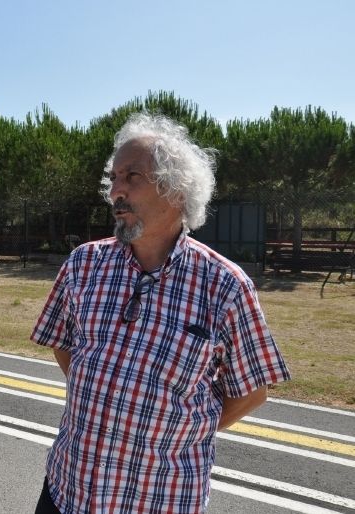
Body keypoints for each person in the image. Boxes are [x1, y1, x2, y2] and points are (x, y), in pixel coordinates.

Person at [31, 113, 290, 514]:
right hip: (68, 491)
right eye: (114, 178)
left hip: (159, 500)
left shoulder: (224, 285)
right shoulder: (84, 264)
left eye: (132, 177)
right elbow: (65, 345)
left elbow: (251, 393)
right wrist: (107, 396)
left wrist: (178, 430)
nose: (116, 190)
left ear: (175, 190)